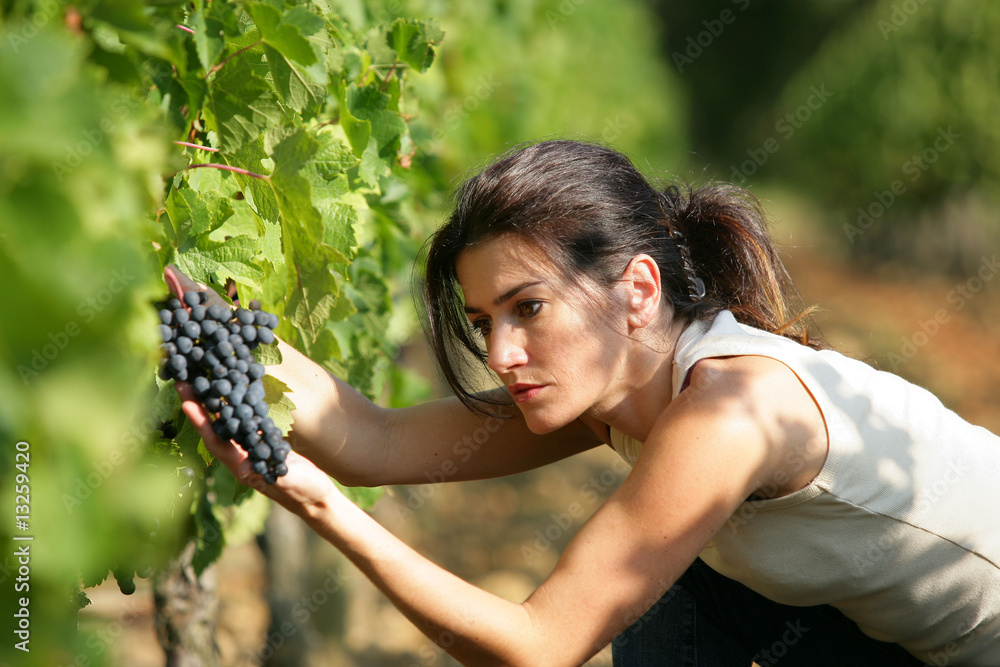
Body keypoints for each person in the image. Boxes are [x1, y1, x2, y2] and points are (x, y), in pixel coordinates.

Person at [164, 139, 1000, 666]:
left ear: (637, 290)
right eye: (485, 321)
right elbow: (374, 438)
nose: (499, 353)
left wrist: (314, 500)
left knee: (653, 595)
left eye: (529, 309)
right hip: (883, 633)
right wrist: (221, 332)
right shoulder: (620, 393)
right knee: (671, 593)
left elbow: (539, 645)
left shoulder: (727, 412)